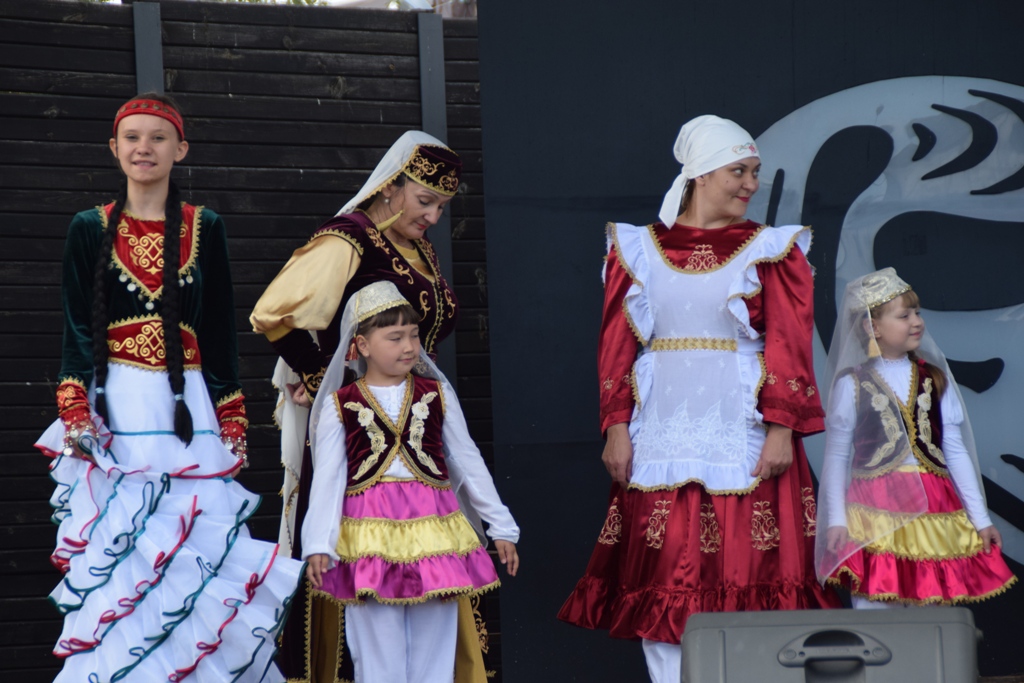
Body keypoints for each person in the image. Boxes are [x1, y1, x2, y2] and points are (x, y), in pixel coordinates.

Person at [557, 115, 839, 682]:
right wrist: (616, 427)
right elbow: (616, 344)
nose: (751, 183)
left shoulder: (771, 248)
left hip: (744, 437)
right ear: (701, 174)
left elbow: (789, 343)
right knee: (662, 573)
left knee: (748, 569)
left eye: (755, 172)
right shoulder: (637, 248)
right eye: (739, 171)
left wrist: (782, 429)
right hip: (661, 436)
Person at [35, 93, 304, 682]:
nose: (144, 148)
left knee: (195, 545)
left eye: (157, 137)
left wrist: (233, 416)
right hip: (118, 409)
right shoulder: (88, 227)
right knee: (127, 549)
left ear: (180, 149)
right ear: (114, 148)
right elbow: (77, 326)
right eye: (132, 137)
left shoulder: (206, 226)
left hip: (188, 411)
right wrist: (75, 408)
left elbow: (219, 332)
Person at [249, 132, 484, 681]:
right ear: (390, 187)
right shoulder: (350, 238)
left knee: (431, 573)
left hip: (418, 420)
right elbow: (273, 313)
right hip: (360, 429)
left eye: (441, 208)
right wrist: (322, 378)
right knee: (356, 566)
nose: (433, 217)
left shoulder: (417, 247)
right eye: (425, 201)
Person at [302, 280, 519, 683]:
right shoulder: (341, 405)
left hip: (435, 534)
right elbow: (328, 479)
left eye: (414, 335)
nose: (408, 346)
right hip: (369, 538)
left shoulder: (437, 395)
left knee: (434, 654)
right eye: (395, 337)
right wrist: (318, 542)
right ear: (362, 345)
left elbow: (467, 460)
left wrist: (501, 525)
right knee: (376, 656)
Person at [815, 268, 1016, 607]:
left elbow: (955, 451)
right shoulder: (851, 384)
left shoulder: (935, 378)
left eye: (918, 313)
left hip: (935, 506)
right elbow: (836, 456)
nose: (917, 322)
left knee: (932, 597)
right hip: (873, 507)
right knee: (875, 597)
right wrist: (835, 520)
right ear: (872, 327)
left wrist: (981, 519)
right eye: (904, 315)